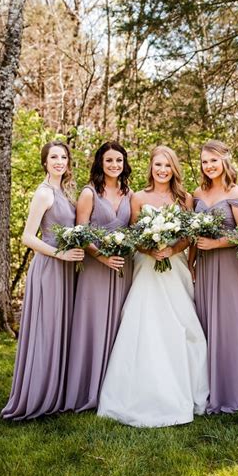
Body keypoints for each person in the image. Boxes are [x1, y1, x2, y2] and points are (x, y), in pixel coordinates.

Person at [97, 145, 209, 427]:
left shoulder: (185, 197)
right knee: (143, 323)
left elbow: (189, 236)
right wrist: (150, 250)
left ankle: (186, 390)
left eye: (167, 166)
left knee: (183, 326)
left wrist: (171, 251)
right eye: (158, 165)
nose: (162, 170)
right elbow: (134, 233)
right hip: (147, 266)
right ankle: (135, 393)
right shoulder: (138, 197)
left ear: (174, 169)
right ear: (151, 167)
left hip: (175, 267)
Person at [1, 141, 83, 420]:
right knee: (46, 330)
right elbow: (28, 237)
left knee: (60, 329)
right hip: (49, 268)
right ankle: (37, 396)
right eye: (53, 157)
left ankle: (55, 393)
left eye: (63, 157)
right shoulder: (43, 193)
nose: (59, 161)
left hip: (65, 269)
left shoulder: (64, 191)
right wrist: (61, 254)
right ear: (45, 162)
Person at [64, 141, 133, 412]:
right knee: (92, 326)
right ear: (100, 164)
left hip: (123, 268)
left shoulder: (130, 193)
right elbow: (80, 234)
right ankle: (86, 390)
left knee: (118, 327)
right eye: (109, 161)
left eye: (118, 160)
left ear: (124, 164)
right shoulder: (89, 193)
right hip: (95, 268)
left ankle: (113, 390)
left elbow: (135, 229)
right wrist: (102, 257)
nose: (114, 165)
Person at [191, 139, 238, 414]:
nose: (209, 166)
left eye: (213, 160)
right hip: (204, 267)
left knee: (228, 326)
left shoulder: (235, 192)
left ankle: (233, 391)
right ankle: (208, 389)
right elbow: (193, 236)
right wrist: (191, 264)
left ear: (225, 161)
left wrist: (216, 244)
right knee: (205, 325)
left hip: (229, 266)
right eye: (205, 161)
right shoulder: (197, 193)